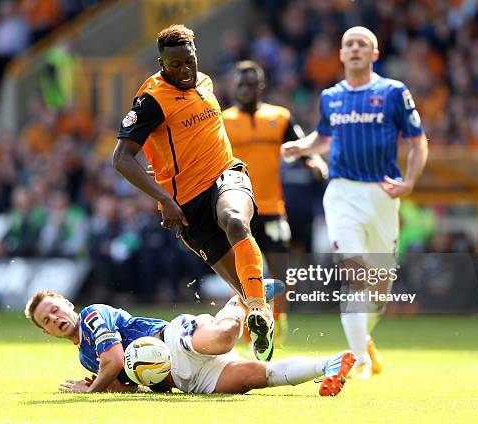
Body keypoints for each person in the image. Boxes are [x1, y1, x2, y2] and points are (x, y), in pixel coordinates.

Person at [112, 25, 273, 360]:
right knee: (243, 285)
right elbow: (121, 158)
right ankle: (260, 315)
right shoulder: (150, 101)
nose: (185, 71)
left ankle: (259, 310)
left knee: (234, 221)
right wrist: (164, 199)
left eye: (190, 61)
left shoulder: (206, 82)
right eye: (175, 65)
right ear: (161, 63)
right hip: (186, 206)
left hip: (226, 175)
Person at [282, 26, 428, 379]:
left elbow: (418, 141)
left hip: (381, 194)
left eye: (363, 44)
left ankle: (363, 339)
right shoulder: (331, 96)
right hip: (342, 192)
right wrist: (302, 147)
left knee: (379, 288)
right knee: (354, 275)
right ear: (342, 54)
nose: (356, 49)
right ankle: (359, 359)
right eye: (349, 44)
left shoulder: (393, 92)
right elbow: (325, 137)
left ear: (374, 54)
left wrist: (410, 181)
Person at [24, 289, 355, 396]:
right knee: (258, 376)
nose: (55, 318)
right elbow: (128, 383)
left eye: (55, 309)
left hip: (174, 340)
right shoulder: (85, 358)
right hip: (184, 380)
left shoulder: (94, 315)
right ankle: (328, 365)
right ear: (47, 332)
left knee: (226, 338)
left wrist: (92, 390)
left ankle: (246, 297)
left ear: (68, 304)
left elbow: (113, 360)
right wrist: (110, 386)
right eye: (47, 321)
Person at [222, 60, 326, 344]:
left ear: (261, 86)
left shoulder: (279, 117)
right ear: (234, 87)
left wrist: (314, 161)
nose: (245, 89)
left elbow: (301, 146)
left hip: (272, 209)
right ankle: (246, 326)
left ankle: (277, 321)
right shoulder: (223, 122)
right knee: (241, 272)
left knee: (280, 272)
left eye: (250, 84)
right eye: (240, 84)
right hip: (237, 210)